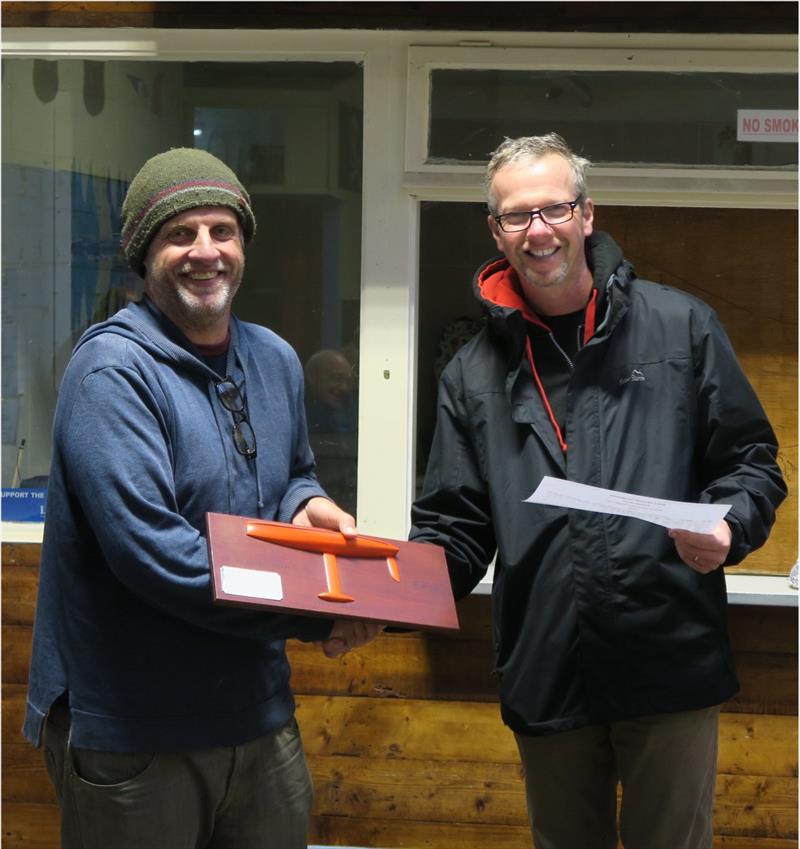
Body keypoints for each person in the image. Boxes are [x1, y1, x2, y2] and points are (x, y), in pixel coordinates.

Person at [409, 133, 787, 849]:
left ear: (586, 215)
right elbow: (454, 528)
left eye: (554, 208)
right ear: (496, 231)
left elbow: (752, 463)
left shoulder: (680, 328)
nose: (538, 230)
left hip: (668, 658)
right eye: (517, 215)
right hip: (547, 667)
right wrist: (380, 592)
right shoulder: (471, 372)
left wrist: (730, 526)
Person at [23, 147, 381, 849]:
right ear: (143, 255)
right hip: (137, 731)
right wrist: (318, 615)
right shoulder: (110, 375)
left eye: (222, 230)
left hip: (259, 718)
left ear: (244, 243)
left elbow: (292, 477)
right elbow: (158, 557)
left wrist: (306, 507)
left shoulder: (275, 359)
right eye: (179, 235)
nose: (205, 252)